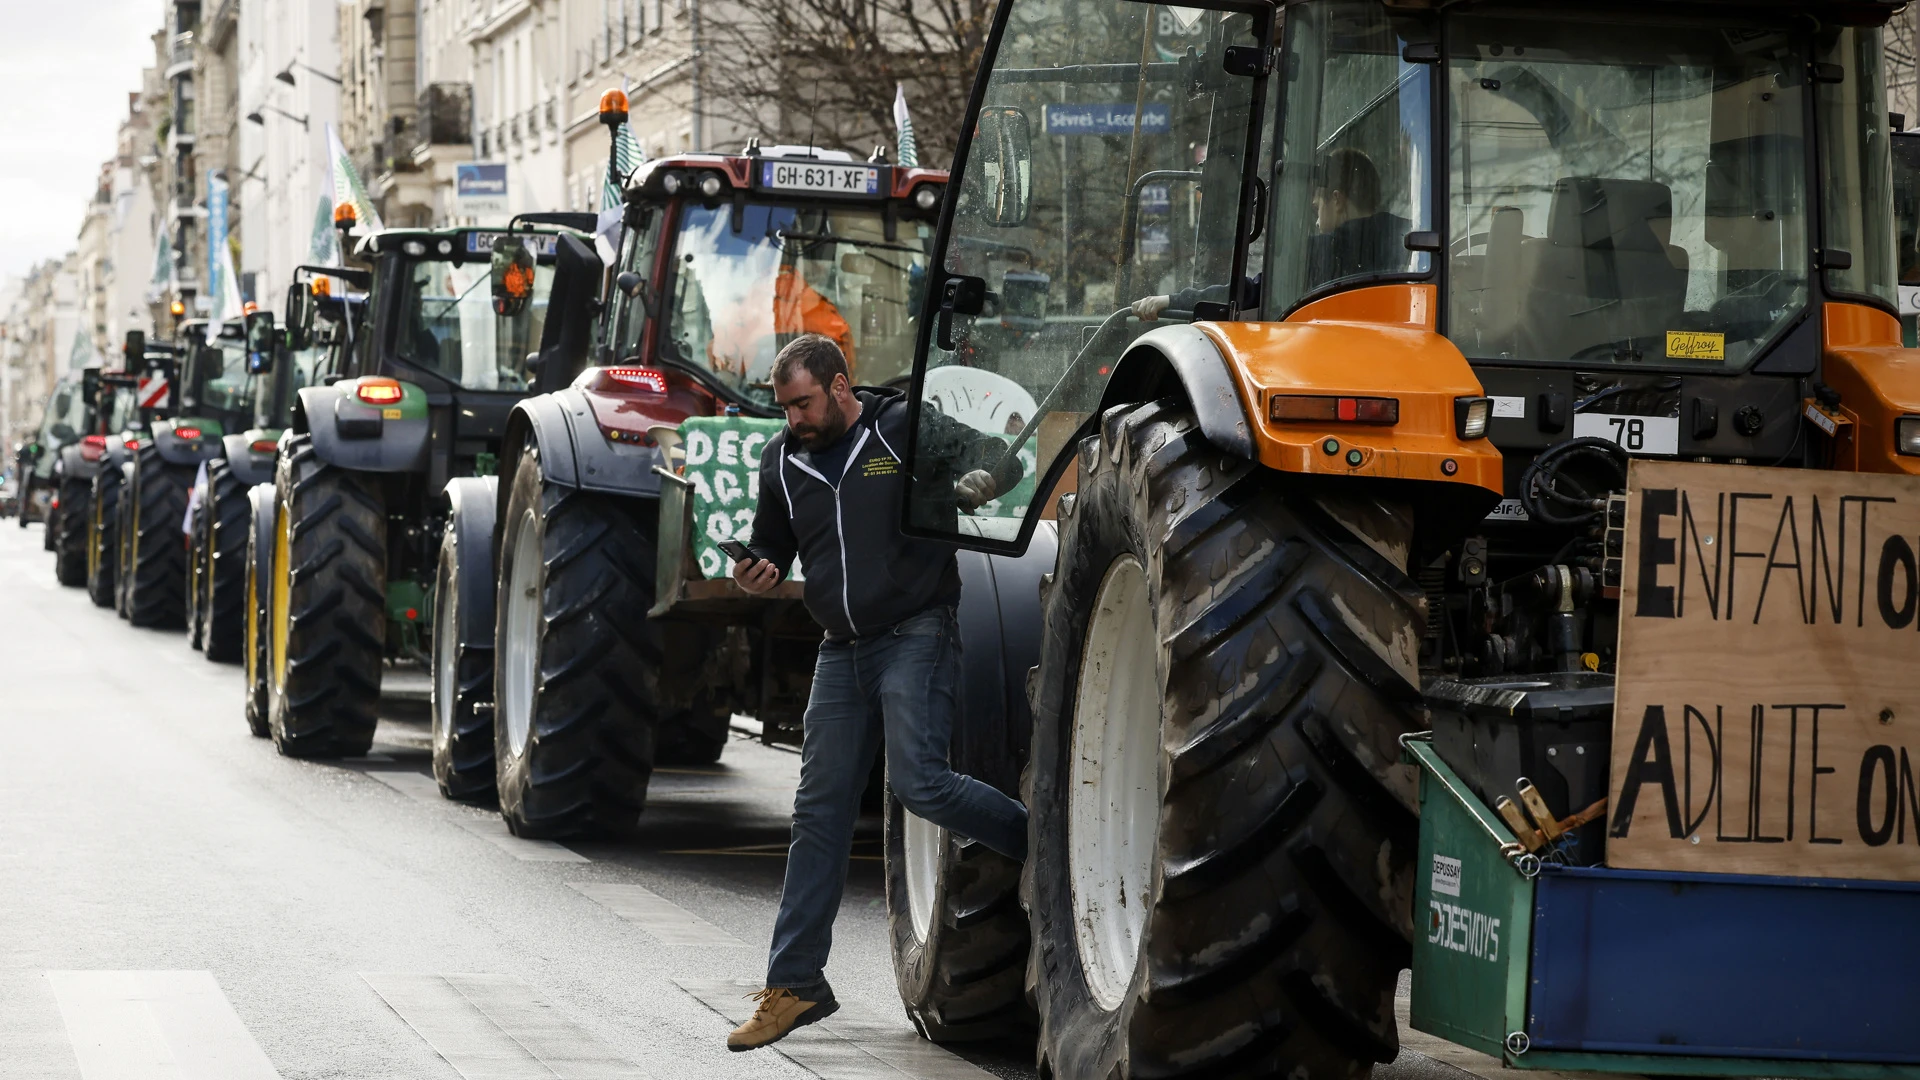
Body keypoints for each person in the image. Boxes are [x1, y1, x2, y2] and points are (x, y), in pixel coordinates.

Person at [724, 335, 1026, 1052]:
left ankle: (1040, 848)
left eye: (802, 402)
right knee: (817, 815)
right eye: (784, 406)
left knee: (921, 783)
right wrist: (755, 573)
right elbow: (772, 544)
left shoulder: (903, 428)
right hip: (839, 652)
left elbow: (1004, 460)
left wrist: (988, 477)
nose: (792, 417)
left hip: (916, 630)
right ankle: (794, 986)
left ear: (839, 385)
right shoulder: (782, 460)